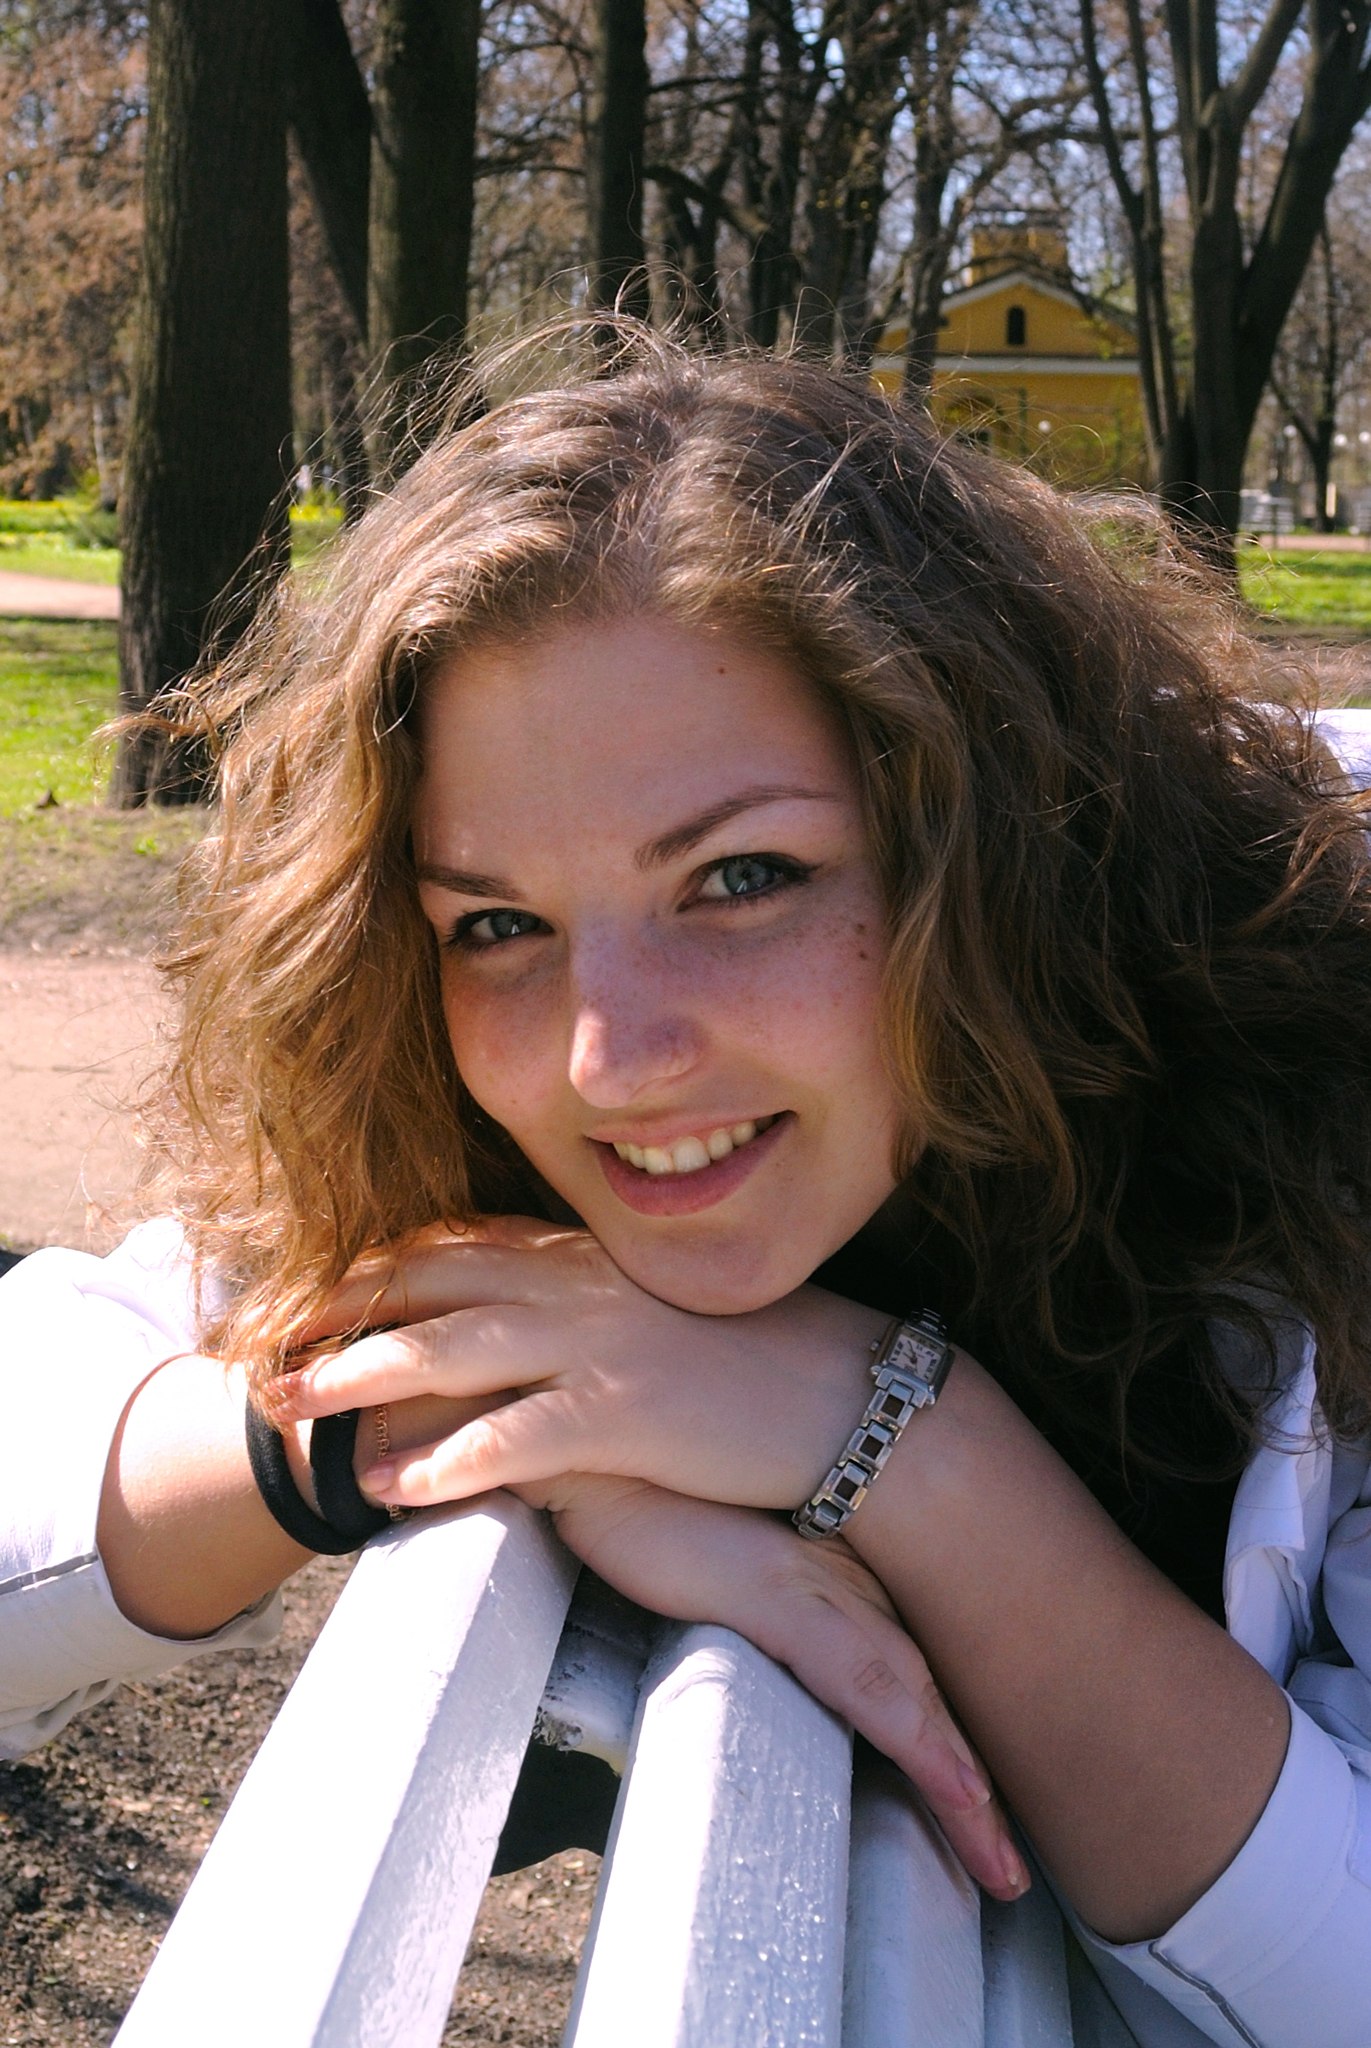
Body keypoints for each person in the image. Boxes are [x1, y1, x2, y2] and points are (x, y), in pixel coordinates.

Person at [3, 330, 1370, 2046]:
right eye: (498, 922)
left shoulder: (1323, 1092)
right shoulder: (456, 1121)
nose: (609, 1060)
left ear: (998, 840)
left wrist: (902, 1449)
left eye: (741, 878)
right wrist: (403, 1414)